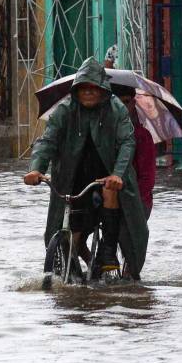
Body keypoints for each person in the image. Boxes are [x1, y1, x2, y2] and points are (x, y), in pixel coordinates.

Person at [23, 57, 149, 279]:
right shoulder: (64, 111)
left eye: (93, 88)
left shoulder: (116, 110)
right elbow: (47, 141)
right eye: (83, 88)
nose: (88, 93)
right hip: (74, 177)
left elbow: (127, 143)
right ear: (76, 91)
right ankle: (73, 270)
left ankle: (108, 250)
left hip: (108, 175)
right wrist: (36, 169)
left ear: (102, 90)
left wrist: (118, 174)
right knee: (70, 224)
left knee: (114, 196)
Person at [112, 85, 156, 216]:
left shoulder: (142, 136)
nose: (121, 107)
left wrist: (133, 201)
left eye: (125, 102)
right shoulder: (102, 132)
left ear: (133, 103)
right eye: (116, 102)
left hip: (137, 200)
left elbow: (147, 178)